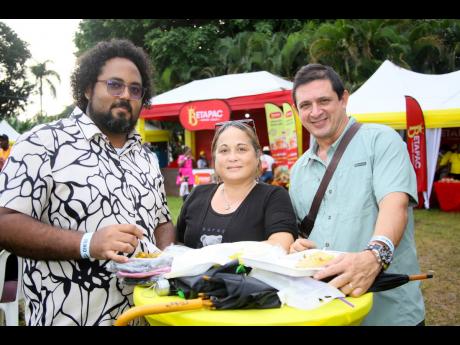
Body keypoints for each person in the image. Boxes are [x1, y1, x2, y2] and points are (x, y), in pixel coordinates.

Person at [0, 39, 175, 326]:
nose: (126, 96)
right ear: (87, 88)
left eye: (135, 90)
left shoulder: (145, 156)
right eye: (115, 85)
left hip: (144, 317)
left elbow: (163, 223)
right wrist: (87, 243)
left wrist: (164, 261)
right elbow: (5, 222)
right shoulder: (44, 142)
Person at [288, 63, 425, 326]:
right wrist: (296, 245)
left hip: (389, 313)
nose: (315, 112)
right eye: (305, 105)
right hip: (329, 313)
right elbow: (301, 234)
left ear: (344, 99)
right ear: (297, 111)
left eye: (324, 100)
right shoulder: (298, 170)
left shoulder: (381, 140)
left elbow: (394, 206)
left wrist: (375, 255)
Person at [176, 120, 297, 251]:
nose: (232, 157)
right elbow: (178, 244)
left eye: (241, 149)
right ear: (215, 158)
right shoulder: (197, 194)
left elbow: (280, 246)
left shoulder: (274, 197)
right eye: (224, 150)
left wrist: (217, 254)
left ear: (257, 156)